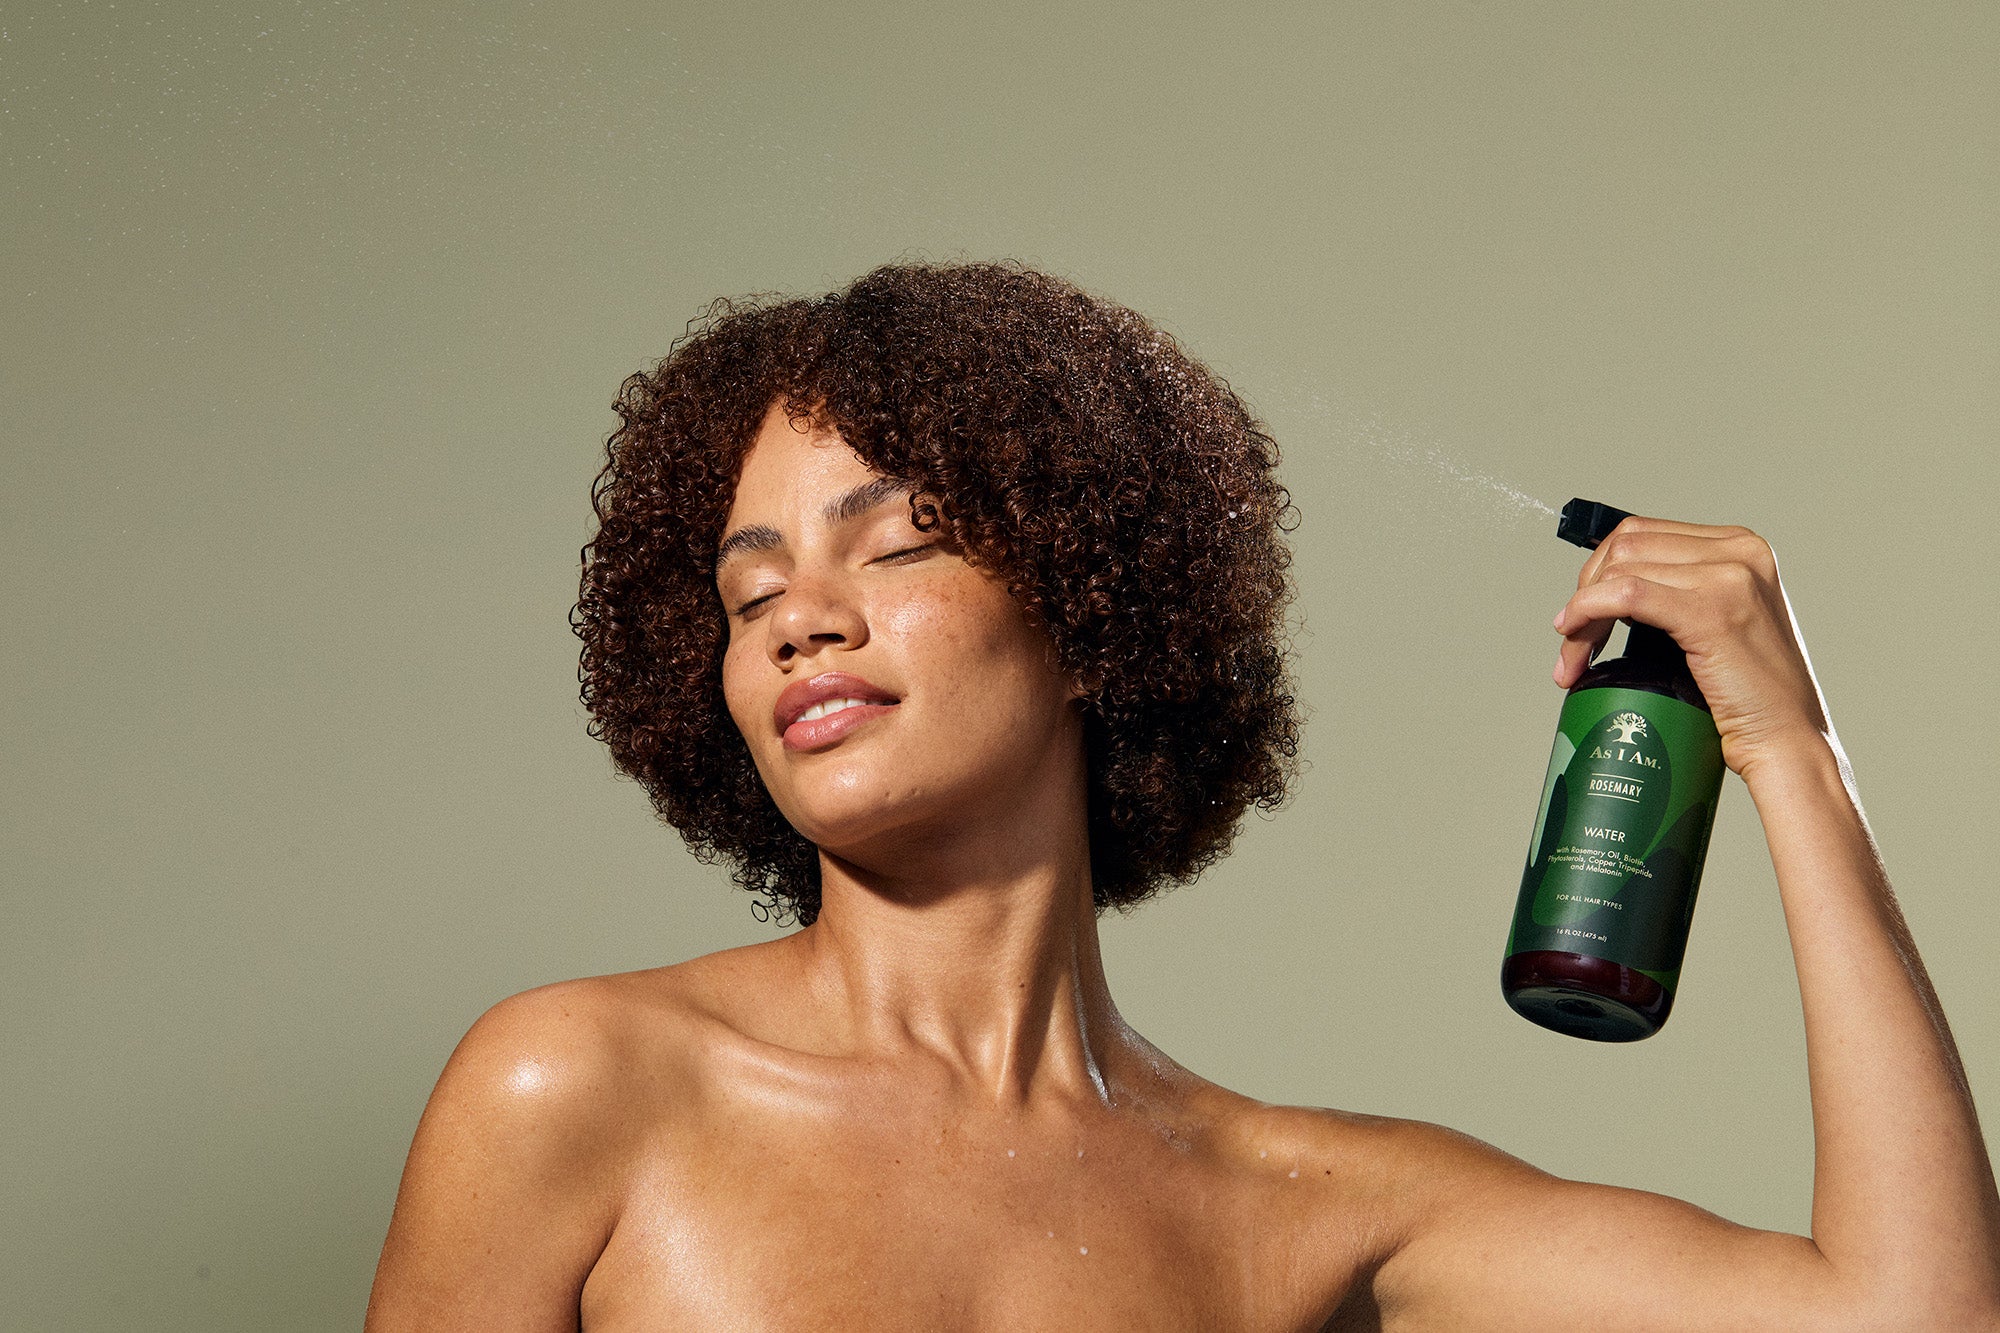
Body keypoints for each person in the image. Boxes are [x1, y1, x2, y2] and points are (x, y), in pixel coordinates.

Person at [364, 260, 2000, 1330]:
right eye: (750, 593)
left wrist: (1791, 751)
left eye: (898, 543)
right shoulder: (578, 1089)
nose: (804, 618)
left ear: (1091, 603)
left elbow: (1915, 1314)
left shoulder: (1302, 1207)